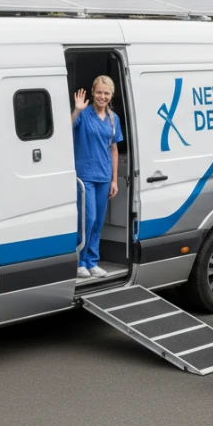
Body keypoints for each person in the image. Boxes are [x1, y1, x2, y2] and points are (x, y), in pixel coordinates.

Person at [72, 76, 123, 279]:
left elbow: (114, 150)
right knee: (88, 219)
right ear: (93, 93)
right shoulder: (84, 114)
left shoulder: (113, 119)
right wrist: (76, 109)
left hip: (104, 175)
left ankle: (93, 262)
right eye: (99, 92)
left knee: (99, 221)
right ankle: (80, 261)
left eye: (106, 93)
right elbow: (66, 128)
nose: (102, 96)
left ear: (111, 96)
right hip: (85, 175)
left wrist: (114, 180)